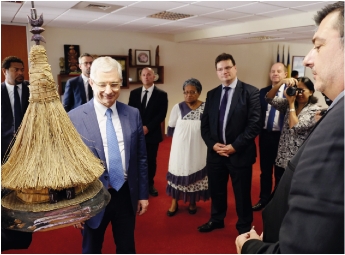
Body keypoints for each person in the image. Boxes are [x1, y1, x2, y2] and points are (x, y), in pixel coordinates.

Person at [236, 1, 344, 253]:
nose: (307, 59)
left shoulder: (332, 120)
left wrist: (249, 247)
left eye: (318, 46)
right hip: (278, 151)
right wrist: (284, 87)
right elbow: (270, 99)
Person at [68, 56, 149, 253]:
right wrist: (72, 206)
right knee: (91, 248)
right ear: (91, 83)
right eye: (102, 84)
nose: (108, 91)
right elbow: (70, 165)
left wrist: (143, 194)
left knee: (127, 247)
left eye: (114, 84)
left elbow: (140, 158)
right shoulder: (74, 118)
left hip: (125, 194)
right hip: (91, 197)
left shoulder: (133, 114)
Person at [199, 53, 261, 234]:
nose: (224, 72)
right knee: (216, 190)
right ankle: (217, 219)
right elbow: (205, 126)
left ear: (235, 68)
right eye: (220, 69)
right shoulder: (212, 94)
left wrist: (235, 146)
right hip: (216, 154)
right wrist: (213, 145)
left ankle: (244, 226)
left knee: (242, 194)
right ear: (216, 72)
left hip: (239, 153)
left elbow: (254, 124)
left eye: (227, 67)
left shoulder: (251, 92)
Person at [1, 56, 32, 251]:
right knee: (5, 190)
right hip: (3, 150)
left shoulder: (31, 91)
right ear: (5, 71)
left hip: (28, 150)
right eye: (16, 70)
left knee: (25, 191)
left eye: (22, 69)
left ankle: (24, 232)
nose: (21, 73)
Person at [166, 78, 209, 217]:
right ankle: (174, 201)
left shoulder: (206, 107)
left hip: (199, 148)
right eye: (185, 92)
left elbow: (209, 127)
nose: (188, 95)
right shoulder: (177, 107)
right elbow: (171, 128)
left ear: (199, 92)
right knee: (179, 171)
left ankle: (192, 201)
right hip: (180, 148)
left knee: (195, 170)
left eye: (192, 92)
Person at [252, 62, 287, 212]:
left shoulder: (291, 92)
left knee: (280, 172)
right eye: (273, 71)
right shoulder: (263, 92)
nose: (275, 74)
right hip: (265, 136)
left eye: (279, 71)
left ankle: (277, 202)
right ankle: (264, 199)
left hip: (282, 138)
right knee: (265, 171)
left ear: (285, 74)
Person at [128, 67, 168, 197]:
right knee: (136, 159)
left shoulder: (161, 94)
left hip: (152, 134)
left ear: (154, 77)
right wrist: (139, 127)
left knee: (151, 160)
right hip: (136, 133)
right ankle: (137, 182)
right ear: (141, 77)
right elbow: (130, 112)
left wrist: (148, 127)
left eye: (149, 74)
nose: (146, 77)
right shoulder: (134, 93)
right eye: (143, 75)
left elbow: (161, 114)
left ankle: (150, 184)